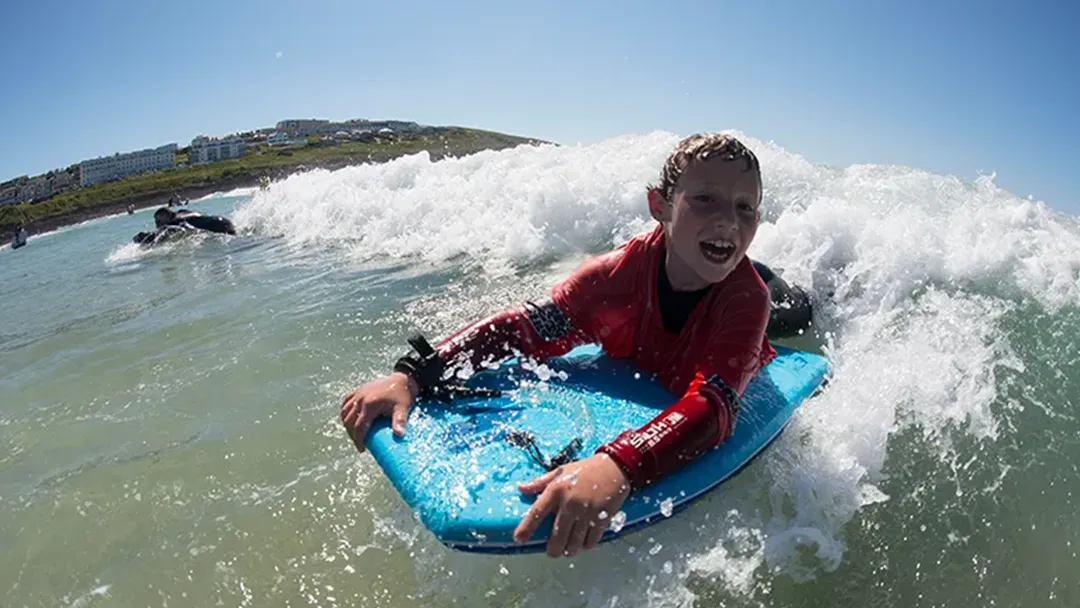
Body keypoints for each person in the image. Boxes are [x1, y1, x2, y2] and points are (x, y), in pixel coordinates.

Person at [341, 133, 781, 558]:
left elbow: (714, 404)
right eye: (706, 199)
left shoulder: (747, 300)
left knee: (787, 305)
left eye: (746, 207)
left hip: (761, 302)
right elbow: (523, 327)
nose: (729, 220)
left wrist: (621, 464)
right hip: (691, 284)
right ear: (660, 205)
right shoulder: (613, 278)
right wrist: (415, 376)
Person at [132, 206, 236, 245]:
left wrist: (142, 238)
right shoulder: (182, 211)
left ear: (167, 216)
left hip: (217, 226)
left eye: (158, 222)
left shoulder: (174, 222)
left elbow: (158, 235)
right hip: (224, 221)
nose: (157, 226)